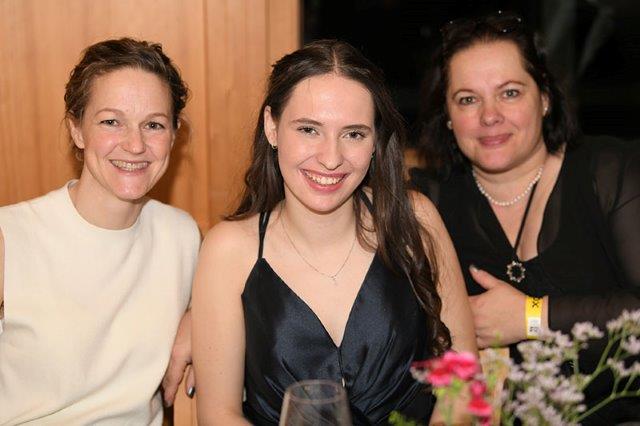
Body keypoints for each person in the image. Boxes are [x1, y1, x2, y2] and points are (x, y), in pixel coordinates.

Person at [192, 39, 477, 425]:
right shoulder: (229, 250)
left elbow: (463, 378)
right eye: (309, 129)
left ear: (375, 141)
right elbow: (218, 414)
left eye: (354, 134)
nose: (331, 158)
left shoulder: (415, 220)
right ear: (272, 127)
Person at [410, 11, 640, 423]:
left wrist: (532, 316)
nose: (489, 116)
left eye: (510, 93)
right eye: (467, 99)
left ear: (545, 98)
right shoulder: (428, 202)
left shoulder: (611, 172)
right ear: (447, 115)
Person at [0, 38, 200, 424]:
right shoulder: (10, 236)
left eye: (154, 125)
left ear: (174, 135)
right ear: (76, 129)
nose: (135, 144)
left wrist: (200, 318)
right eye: (111, 122)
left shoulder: (182, 235)